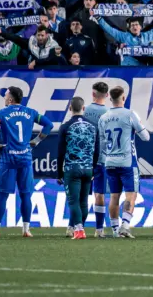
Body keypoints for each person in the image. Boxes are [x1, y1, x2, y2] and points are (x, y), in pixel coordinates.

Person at [0, 86, 54, 238]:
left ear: (10, 99)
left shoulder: (1, 114)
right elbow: (49, 125)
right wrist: (36, 141)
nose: (4, 98)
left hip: (7, 159)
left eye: (6, 96)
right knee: (25, 195)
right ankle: (26, 230)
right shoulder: (31, 112)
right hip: (25, 159)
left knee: (2, 196)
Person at [98, 85, 150, 239]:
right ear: (123, 98)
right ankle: (125, 226)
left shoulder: (103, 117)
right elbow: (146, 137)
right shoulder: (130, 114)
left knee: (114, 196)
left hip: (109, 161)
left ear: (110, 98)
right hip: (127, 162)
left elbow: (101, 143)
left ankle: (115, 230)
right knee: (131, 195)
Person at [56, 97, 98, 240]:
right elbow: (97, 150)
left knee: (73, 201)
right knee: (83, 201)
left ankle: (79, 230)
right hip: (88, 169)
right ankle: (78, 228)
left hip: (72, 168)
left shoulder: (65, 126)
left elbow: (60, 152)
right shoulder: (93, 126)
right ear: (83, 108)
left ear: (70, 109)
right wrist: (94, 169)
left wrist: (59, 173)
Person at [82, 82, 113, 238]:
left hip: (83, 158)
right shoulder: (109, 113)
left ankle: (75, 227)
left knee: (80, 194)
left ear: (93, 94)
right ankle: (99, 230)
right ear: (107, 95)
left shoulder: (84, 111)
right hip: (102, 158)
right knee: (99, 194)